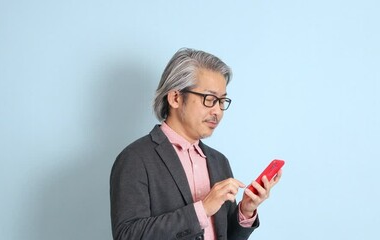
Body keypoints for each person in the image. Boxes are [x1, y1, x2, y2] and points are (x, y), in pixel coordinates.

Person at [110, 48, 282, 240]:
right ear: (175, 98)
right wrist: (202, 209)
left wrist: (245, 211)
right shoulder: (135, 158)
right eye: (209, 99)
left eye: (222, 101)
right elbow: (127, 235)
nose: (218, 111)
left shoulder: (219, 161)